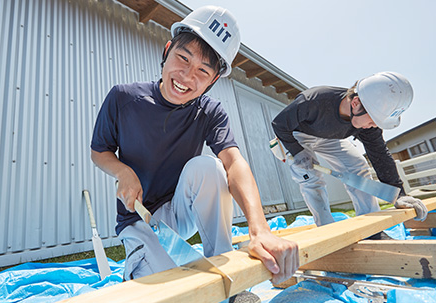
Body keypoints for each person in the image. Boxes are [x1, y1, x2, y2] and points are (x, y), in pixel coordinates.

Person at [90, 5, 299, 300]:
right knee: (174, 292)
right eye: (183, 58)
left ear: (213, 80)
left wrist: (260, 230)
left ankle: (233, 281)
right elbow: (99, 152)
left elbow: (234, 162)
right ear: (167, 50)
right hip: (139, 220)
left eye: (203, 70)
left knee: (210, 167)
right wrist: (122, 171)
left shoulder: (210, 112)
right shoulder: (124, 98)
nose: (187, 76)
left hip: (178, 210)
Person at [272, 71, 428, 229]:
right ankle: (327, 229)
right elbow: (279, 124)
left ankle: (371, 228)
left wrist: (399, 193)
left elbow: (380, 155)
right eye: (374, 119)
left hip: (330, 137)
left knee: (357, 165)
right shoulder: (313, 100)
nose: (374, 126)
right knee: (310, 176)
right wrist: (297, 151)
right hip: (300, 135)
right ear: (356, 103)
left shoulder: (368, 125)